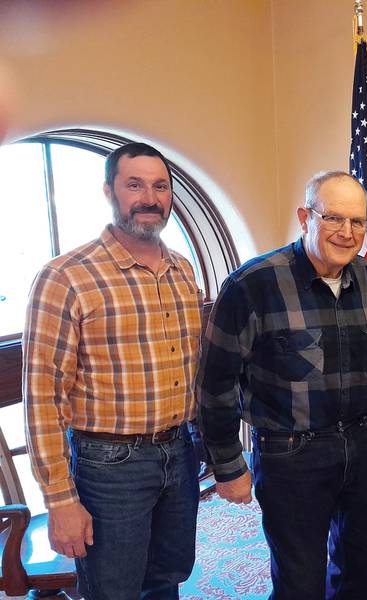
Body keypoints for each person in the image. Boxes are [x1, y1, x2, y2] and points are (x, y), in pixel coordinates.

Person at [196, 171, 367, 600]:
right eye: (333, 218)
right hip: (291, 454)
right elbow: (215, 384)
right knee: (300, 581)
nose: (347, 232)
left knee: (363, 566)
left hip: (360, 448)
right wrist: (228, 465)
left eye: (358, 222)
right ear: (305, 216)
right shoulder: (252, 286)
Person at [23, 142, 204, 599]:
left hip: (179, 453)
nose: (150, 197)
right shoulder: (66, 277)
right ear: (109, 191)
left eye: (160, 185)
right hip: (109, 466)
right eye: (135, 184)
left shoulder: (182, 272)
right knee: (113, 590)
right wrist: (60, 500)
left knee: (166, 579)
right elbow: (44, 397)